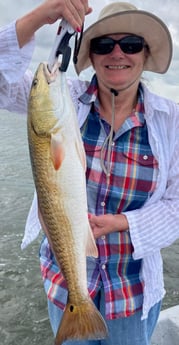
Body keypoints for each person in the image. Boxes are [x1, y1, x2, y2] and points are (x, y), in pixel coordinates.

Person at [0, 1, 179, 344]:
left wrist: (125, 224)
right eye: (103, 45)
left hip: (133, 290)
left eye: (130, 45)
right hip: (66, 283)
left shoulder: (171, 121)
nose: (117, 54)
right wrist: (43, 15)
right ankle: (77, 306)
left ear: (145, 54)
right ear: (91, 56)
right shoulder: (66, 99)